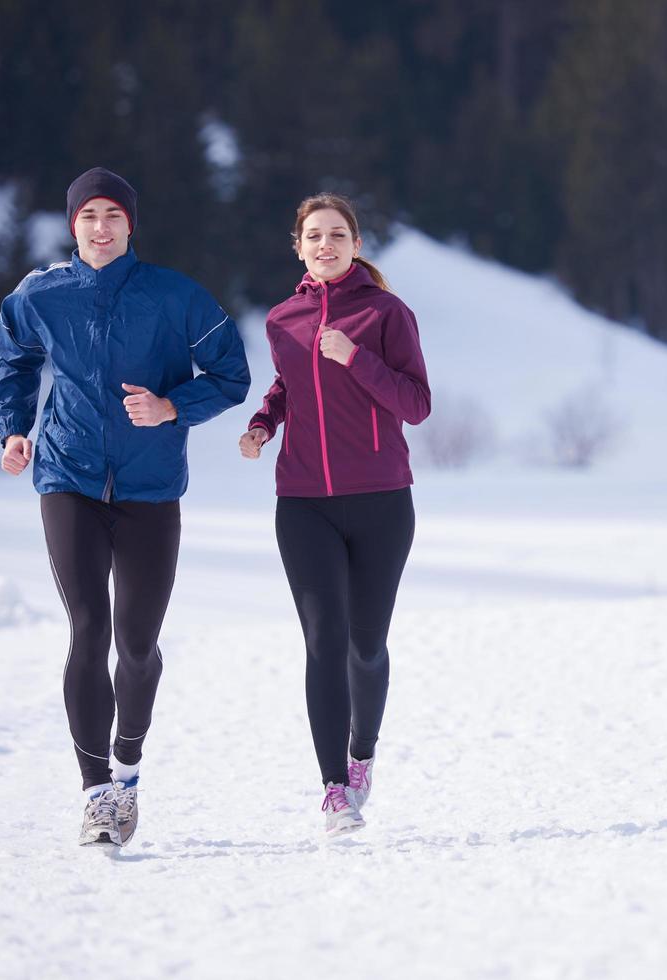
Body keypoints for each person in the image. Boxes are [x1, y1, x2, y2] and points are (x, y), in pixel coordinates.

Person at [0, 167, 250, 846]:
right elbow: (11, 361)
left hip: (150, 488)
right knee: (88, 628)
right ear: (71, 225)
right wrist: (14, 429)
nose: (100, 228)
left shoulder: (174, 295)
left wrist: (171, 408)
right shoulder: (41, 295)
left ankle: (128, 762)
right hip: (67, 476)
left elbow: (231, 375)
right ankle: (96, 790)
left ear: (130, 224)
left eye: (112, 215)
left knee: (136, 645)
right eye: (87, 216)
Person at [239, 193, 430, 835]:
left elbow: (417, 404)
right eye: (314, 235)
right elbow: (287, 386)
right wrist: (264, 424)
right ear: (298, 246)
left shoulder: (385, 313)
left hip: (381, 501)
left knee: (365, 645)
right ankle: (332, 789)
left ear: (356, 244)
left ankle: (361, 754)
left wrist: (357, 357)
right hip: (302, 503)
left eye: (338, 235)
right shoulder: (282, 319)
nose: (326, 245)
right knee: (323, 641)